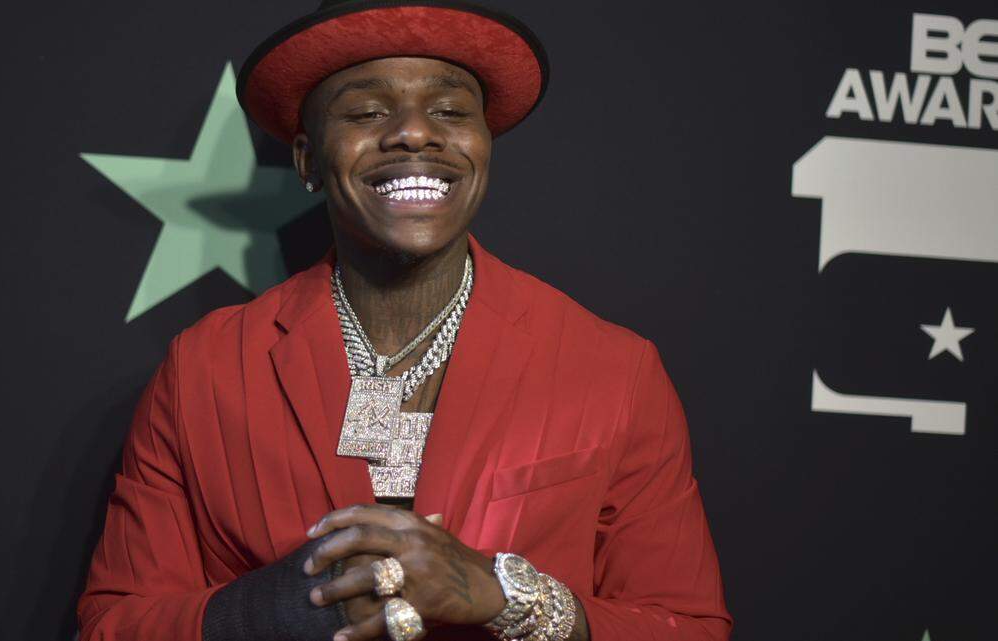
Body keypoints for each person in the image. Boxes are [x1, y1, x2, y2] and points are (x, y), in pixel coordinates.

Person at [77, 1, 732, 640]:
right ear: (307, 160)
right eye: (366, 112)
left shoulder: (614, 369)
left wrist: (511, 599)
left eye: (450, 111)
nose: (415, 133)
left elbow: (690, 626)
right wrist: (271, 611)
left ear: (484, 147)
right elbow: (113, 625)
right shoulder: (204, 368)